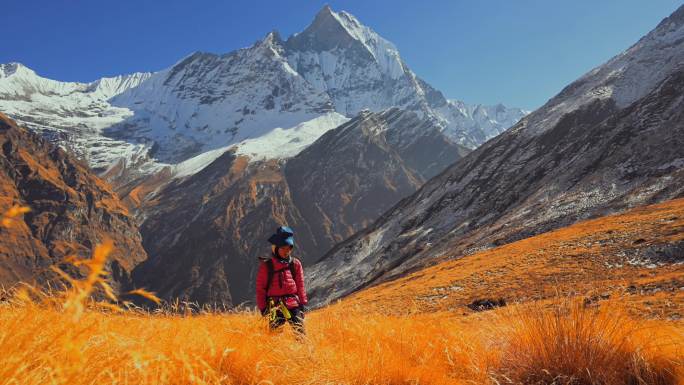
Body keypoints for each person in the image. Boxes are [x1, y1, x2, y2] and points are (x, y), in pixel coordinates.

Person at [255, 226, 308, 335]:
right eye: (283, 248)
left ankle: (303, 352)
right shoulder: (267, 266)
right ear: (275, 248)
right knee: (274, 339)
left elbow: (300, 285)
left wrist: (302, 304)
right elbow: (261, 288)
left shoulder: (295, 264)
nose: (286, 251)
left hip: (293, 305)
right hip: (274, 306)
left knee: (301, 336)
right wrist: (263, 308)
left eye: (289, 248)